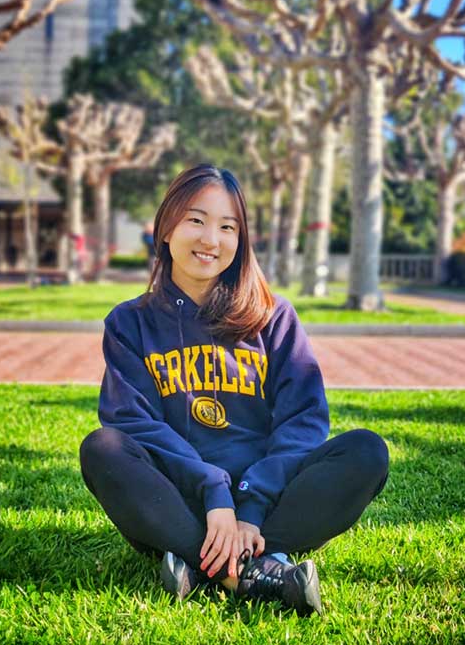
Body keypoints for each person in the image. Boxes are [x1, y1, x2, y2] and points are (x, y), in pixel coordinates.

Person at [79, 164, 389, 616]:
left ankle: (199, 562)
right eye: (196, 220)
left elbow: (302, 419)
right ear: (166, 228)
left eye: (228, 227)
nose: (211, 240)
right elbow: (132, 422)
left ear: (240, 240)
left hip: (267, 502)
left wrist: (250, 506)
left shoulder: (273, 316)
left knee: (366, 451)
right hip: (178, 500)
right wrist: (213, 492)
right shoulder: (130, 323)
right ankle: (257, 572)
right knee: (102, 448)